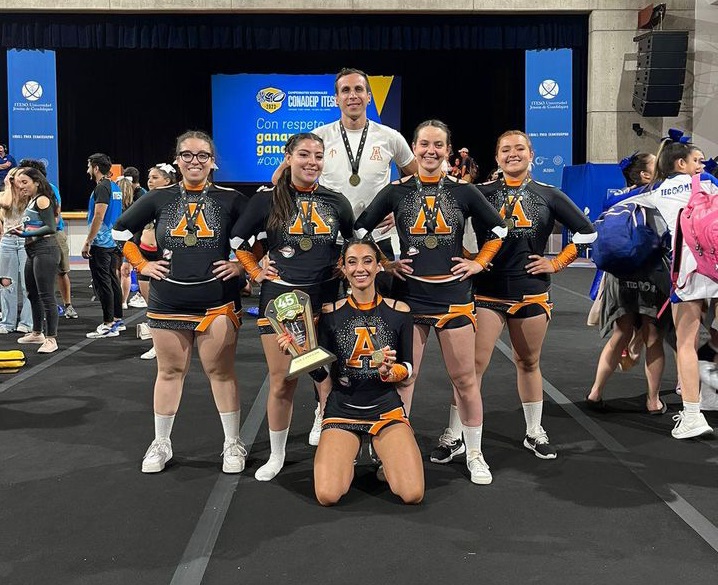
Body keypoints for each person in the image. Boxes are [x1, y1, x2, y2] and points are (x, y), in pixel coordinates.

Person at [355, 119, 508, 485]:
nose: (430, 151)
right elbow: (360, 229)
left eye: (438, 145)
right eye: (424, 144)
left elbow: (500, 230)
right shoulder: (396, 191)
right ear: (413, 147)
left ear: (448, 151)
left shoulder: (465, 192)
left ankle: (473, 452)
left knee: (465, 380)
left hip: (454, 298)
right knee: (405, 380)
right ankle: (395, 454)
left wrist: (479, 262)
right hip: (410, 299)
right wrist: (385, 263)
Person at [434, 130, 596, 465]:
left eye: (519, 148)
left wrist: (557, 261)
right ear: (496, 157)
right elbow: (445, 222)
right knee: (471, 369)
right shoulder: (481, 193)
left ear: (531, 154)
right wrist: (472, 258)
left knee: (529, 362)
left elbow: (587, 231)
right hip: (487, 293)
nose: (512, 154)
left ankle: (534, 431)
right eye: (505, 149)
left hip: (531, 292)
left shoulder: (549, 194)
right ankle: (455, 435)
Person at [112, 130, 249, 473]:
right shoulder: (159, 198)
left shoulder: (232, 199)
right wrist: (142, 264)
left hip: (216, 300)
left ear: (212, 161)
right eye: (187, 155)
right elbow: (119, 232)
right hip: (168, 299)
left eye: (202, 155)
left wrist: (240, 265)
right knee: (170, 371)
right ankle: (161, 443)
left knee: (221, 372)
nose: (194, 161)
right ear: (177, 159)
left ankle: (232, 443)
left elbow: (257, 236)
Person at [232, 132, 355, 482]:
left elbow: (354, 239)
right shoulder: (266, 199)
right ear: (288, 157)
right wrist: (256, 270)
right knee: (282, 380)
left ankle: (327, 427)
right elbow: (237, 241)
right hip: (281, 299)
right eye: (303, 154)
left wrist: (345, 264)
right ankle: (277, 454)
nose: (311, 162)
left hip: (327, 298)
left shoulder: (336, 200)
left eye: (318, 155)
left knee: (328, 374)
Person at [281, 237, 423, 505]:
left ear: (379, 266)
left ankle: (377, 447)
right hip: (343, 409)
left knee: (412, 493)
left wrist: (390, 373)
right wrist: (300, 356)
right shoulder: (329, 313)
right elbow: (323, 377)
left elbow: (408, 368)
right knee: (328, 495)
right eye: (352, 262)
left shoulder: (399, 311)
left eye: (368, 261)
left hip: (385, 409)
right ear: (343, 268)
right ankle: (354, 446)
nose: (361, 268)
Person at [623, 135, 717, 439]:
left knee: (686, 344)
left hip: (689, 273)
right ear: (682, 163)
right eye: (695, 161)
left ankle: (693, 416)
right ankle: (709, 396)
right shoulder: (710, 183)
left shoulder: (657, 191)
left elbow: (615, 206)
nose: (699, 165)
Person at [586, 152, 670, 414]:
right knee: (653, 337)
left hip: (618, 274)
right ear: (646, 175)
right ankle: (653, 400)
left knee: (620, 334)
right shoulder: (656, 192)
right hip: (649, 270)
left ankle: (595, 392)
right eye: (657, 165)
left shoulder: (614, 198)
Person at [1, 167, 61, 354]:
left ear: (36, 182)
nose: (21, 186)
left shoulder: (42, 199)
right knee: (32, 293)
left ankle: (51, 338)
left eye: (25, 182)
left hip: (46, 250)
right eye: (19, 183)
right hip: (33, 250)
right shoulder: (32, 200)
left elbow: (51, 227)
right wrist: (21, 228)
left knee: (46, 295)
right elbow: (35, 222)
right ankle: (37, 332)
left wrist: (26, 233)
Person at [19, 158, 79, 320]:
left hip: (53, 237)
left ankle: (68, 305)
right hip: (33, 240)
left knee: (61, 271)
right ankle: (40, 319)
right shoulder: (27, 194)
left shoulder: (49, 191)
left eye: (25, 178)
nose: (21, 182)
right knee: (37, 279)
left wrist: (34, 231)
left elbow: (55, 217)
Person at [135, 163, 178, 360]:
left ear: (167, 180)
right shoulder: (145, 200)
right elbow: (131, 228)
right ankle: (157, 345)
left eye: (154, 177)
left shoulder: (176, 201)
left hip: (166, 258)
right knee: (150, 305)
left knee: (165, 304)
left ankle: (171, 343)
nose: (149, 181)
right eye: (149, 177)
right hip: (145, 256)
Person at [83, 153, 125, 338]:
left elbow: (99, 215)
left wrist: (88, 241)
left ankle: (108, 323)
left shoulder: (102, 188)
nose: (87, 170)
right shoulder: (115, 186)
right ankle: (117, 319)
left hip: (102, 242)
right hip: (113, 240)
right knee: (112, 279)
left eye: (88, 166)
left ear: (96, 168)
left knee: (103, 282)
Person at [0, 167, 33, 334]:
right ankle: (7, 322)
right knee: (6, 283)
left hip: (24, 240)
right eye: (13, 179)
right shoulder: (4, 195)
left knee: (27, 283)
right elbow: (5, 204)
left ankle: (27, 323)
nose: (16, 183)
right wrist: (7, 186)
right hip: (7, 241)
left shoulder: (28, 196)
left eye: (21, 179)